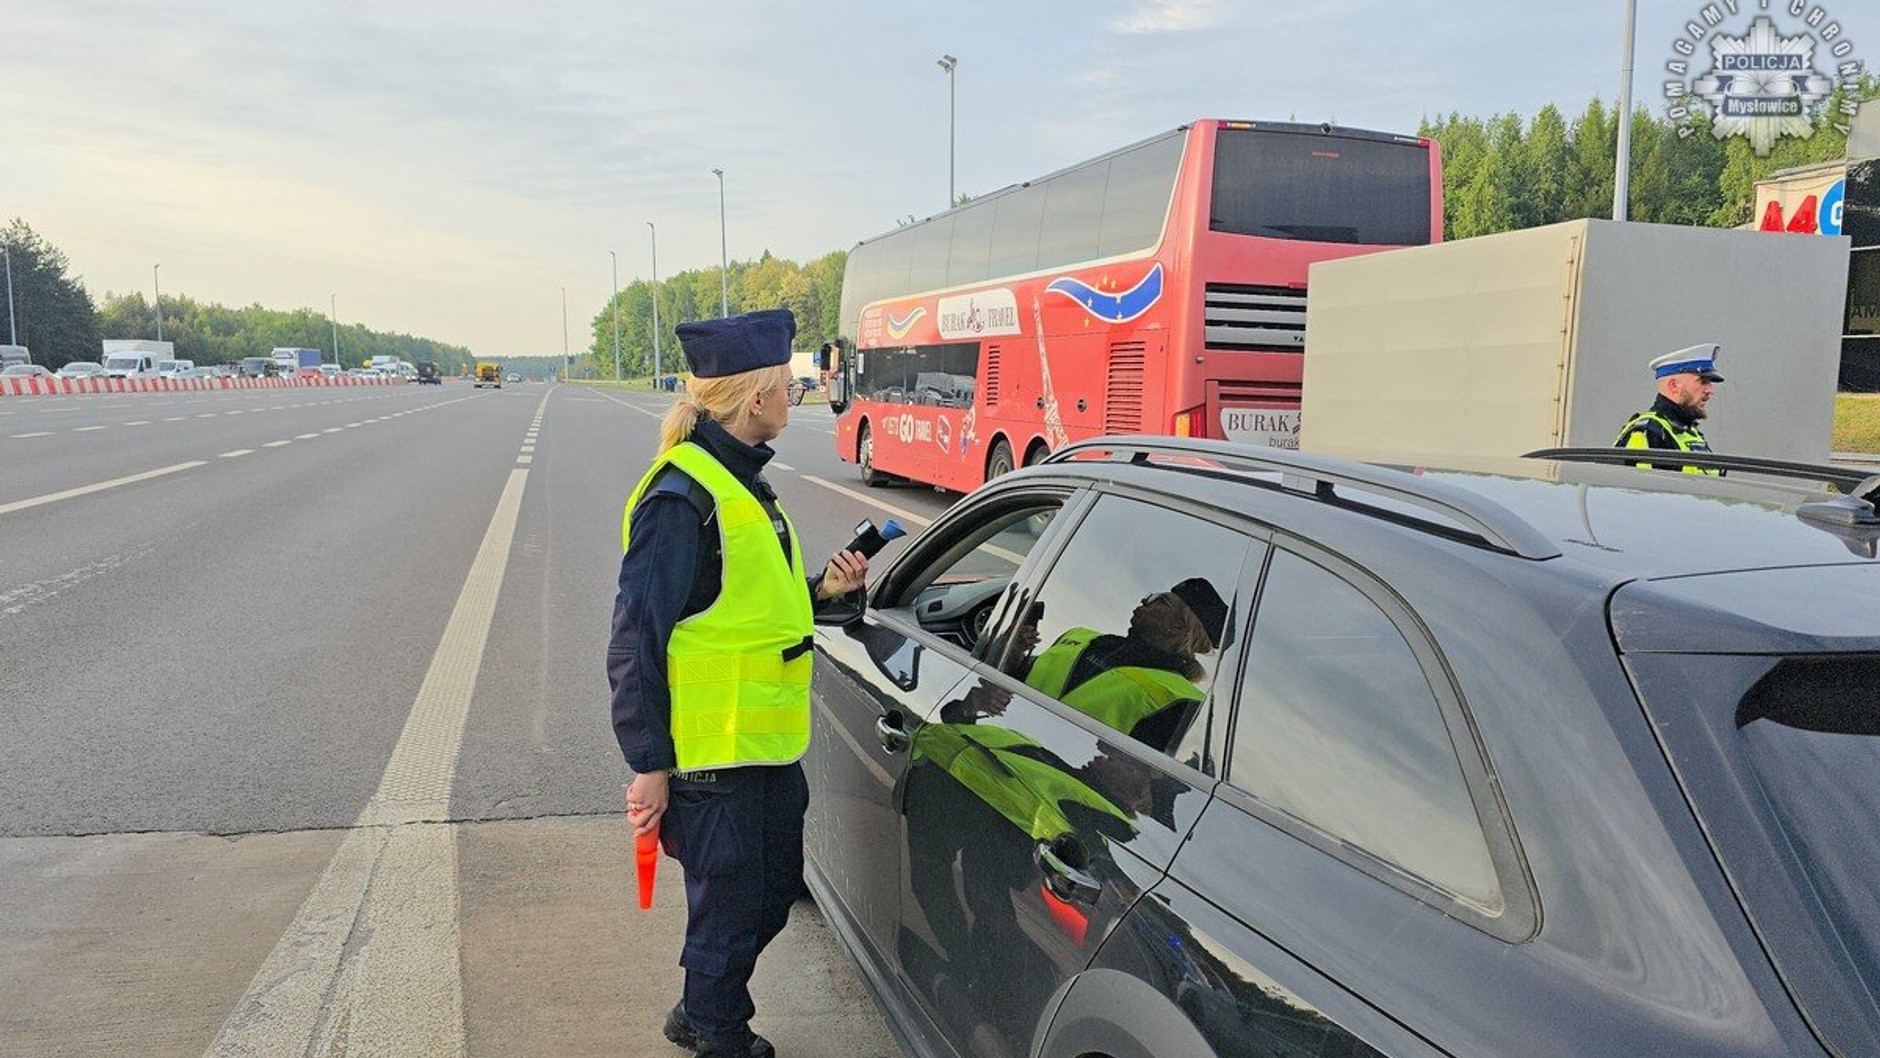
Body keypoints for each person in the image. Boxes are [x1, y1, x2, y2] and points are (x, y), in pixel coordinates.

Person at [608, 308, 869, 1058]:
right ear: (755, 399)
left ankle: (701, 1005)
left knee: (770, 891)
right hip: (709, 757)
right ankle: (720, 1033)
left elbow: (742, 605)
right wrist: (649, 764)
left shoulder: (745, 484)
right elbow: (635, 642)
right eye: (788, 385)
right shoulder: (682, 498)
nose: (797, 394)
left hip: (763, 749)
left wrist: (823, 592)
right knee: (728, 911)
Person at [1016, 576, 1229, 752]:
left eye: (1160, 600)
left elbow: (1142, 779)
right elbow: (1011, 682)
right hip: (994, 753)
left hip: (1050, 794)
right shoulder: (1080, 637)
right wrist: (1015, 650)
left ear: (1181, 627)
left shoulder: (1182, 701)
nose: (1146, 600)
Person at [1614, 343, 1725, 475]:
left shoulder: (1687, 432)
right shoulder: (1648, 432)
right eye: (1703, 381)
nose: (1710, 390)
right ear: (1673, 386)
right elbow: (1639, 492)